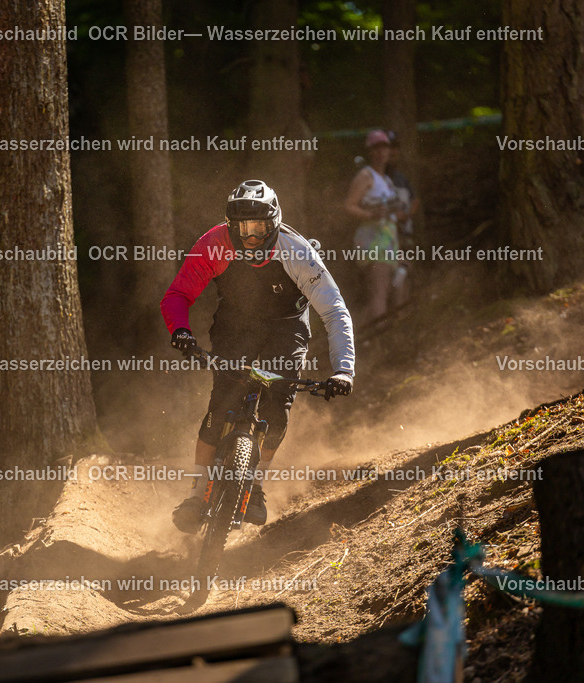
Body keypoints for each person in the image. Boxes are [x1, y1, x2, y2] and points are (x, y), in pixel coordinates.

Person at [161, 179, 355, 532]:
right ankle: (196, 492)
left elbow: (334, 312)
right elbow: (178, 295)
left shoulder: (297, 253)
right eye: (243, 228)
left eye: (260, 228)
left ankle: (256, 485)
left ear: (275, 223)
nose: (251, 237)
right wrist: (181, 332)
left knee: (277, 413)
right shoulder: (213, 245)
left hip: (287, 328)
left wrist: (344, 370)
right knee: (219, 408)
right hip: (236, 325)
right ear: (230, 226)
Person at [344, 129, 418, 326]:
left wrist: (397, 215)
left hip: (389, 241)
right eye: (376, 148)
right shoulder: (366, 176)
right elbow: (349, 206)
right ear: (370, 151)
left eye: (384, 147)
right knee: (380, 289)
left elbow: (388, 211)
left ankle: (394, 330)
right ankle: (376, 339)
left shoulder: (385, 179)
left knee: (402, 275)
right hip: (373, 243)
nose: (381, 152)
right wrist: (370, 215)